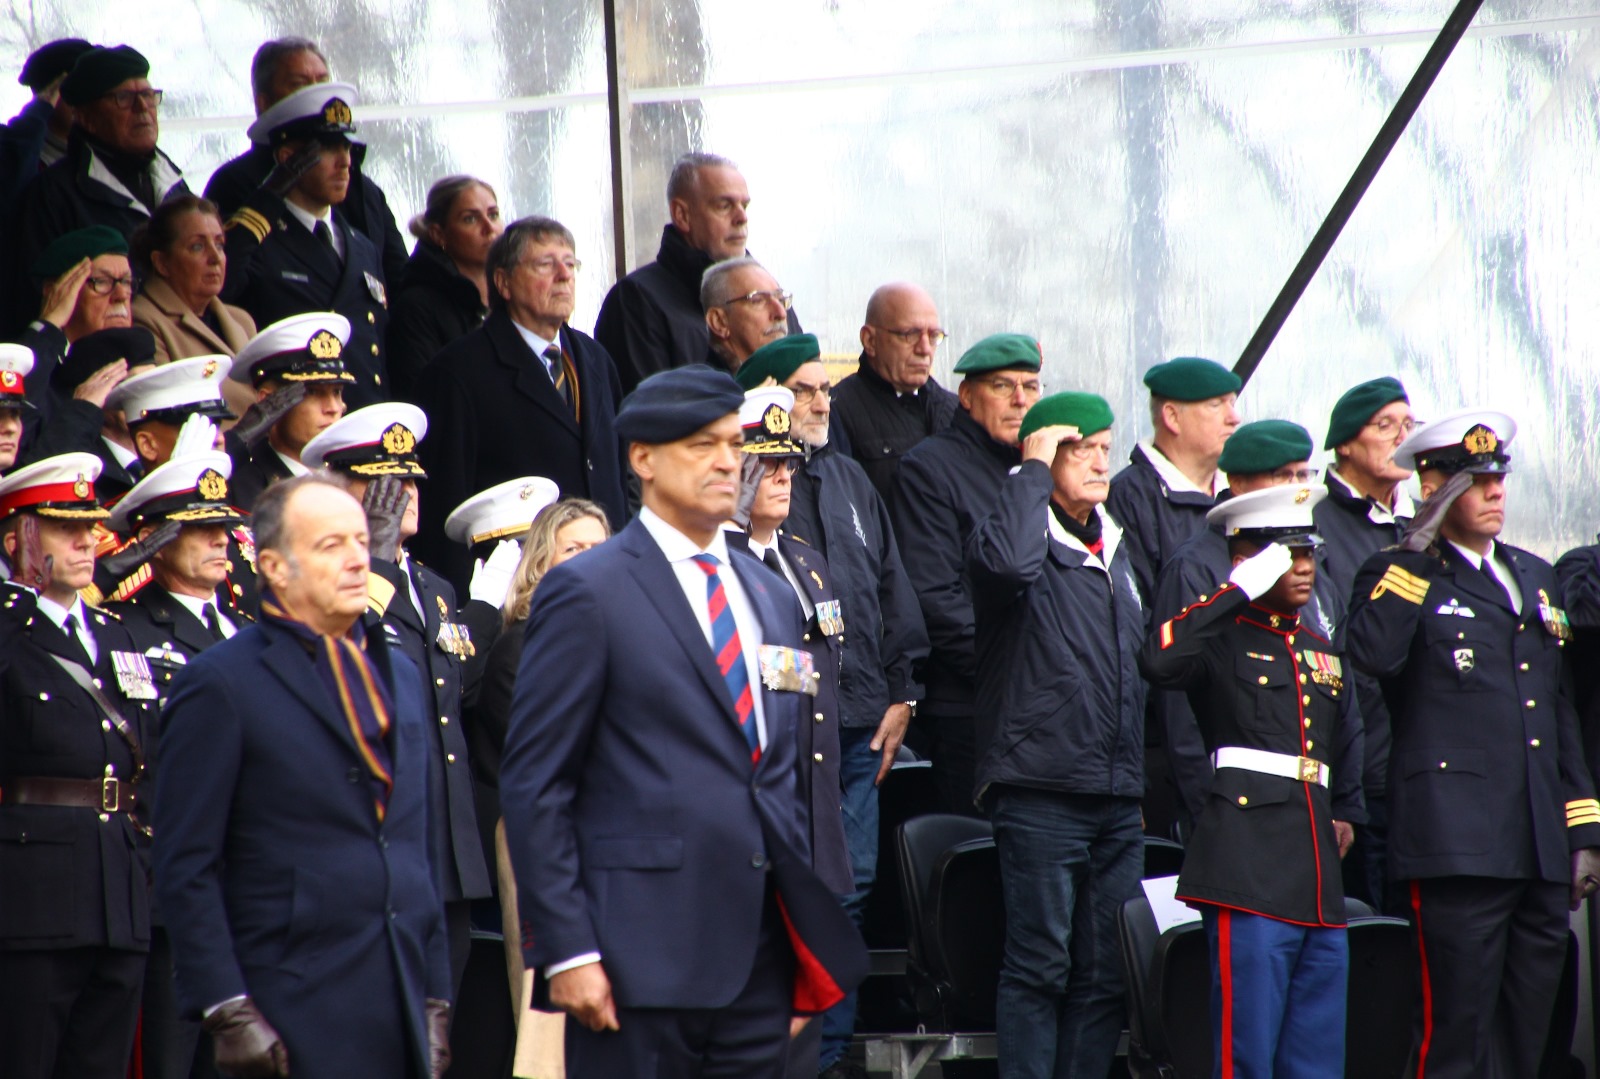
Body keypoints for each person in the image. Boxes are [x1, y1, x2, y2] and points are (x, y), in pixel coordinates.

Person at [500, 364, 867, 1079]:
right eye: (702, 444)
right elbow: (536, 783)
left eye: (734, 443)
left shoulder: (770, 594)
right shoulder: (588, 589)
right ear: (643, 458)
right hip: (635, 963)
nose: (728, 461)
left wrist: (799, 941)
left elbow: (782, 771)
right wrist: (568, 951)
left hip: (758, 961)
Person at [153, 473, 452, 1079]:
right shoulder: (221, 683)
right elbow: (186, 864)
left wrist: (436, 995)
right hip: (286, 1008)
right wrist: (226, 1008)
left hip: (399, 999)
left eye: (361, 541)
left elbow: (416, 847)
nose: (356, 560)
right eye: (330, 545)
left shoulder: (401, 672)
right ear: (274, 567)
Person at [1344, 408, 1600, 1079]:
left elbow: (1557, 705)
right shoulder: (1400, 571)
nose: (1494, 492)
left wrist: (1582, 827)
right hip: (1455, 844)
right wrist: (1415, 546)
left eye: (1498, 479)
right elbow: (1371, 654)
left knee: (1527, 1038)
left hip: (1537, 842)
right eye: (1474, 481)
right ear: (1433, 487)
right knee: (1454, 1038)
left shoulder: (1534, 574)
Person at [735, 334, 928, 1077]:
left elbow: (891, 589)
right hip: (779, 744)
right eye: (805, 389)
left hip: (857, 727)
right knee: (783, 895)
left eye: (825, 389)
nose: (821, 401)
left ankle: (829, 1054)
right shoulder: (732, 544)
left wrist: (903, 692)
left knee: (849, 887)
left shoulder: (845, 482)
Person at [1139, 484, 1365, 1079]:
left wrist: (1347, 808)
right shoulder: (1221, 638)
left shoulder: (1318, 647)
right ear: (1248, 559)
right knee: (1247, 1055)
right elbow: (1158, 661)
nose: (1305, 566)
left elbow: (1346, 735)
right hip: (1248, 866)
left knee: (1316, 1060)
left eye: (1309, 552)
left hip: (1316, 875)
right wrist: (1234, 590)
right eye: (1288, 555)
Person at [965, 391, 1145, 1079]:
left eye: (1104, 449)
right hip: (1041, 788)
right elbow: (1008, 567)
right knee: (1039, 967)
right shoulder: (1015, 532)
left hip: (1115, 795)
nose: (1100, 463)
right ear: (1044, 456)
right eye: (1081, 450)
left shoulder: (1116, 544)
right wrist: (1030, 471)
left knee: (1105, 975)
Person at [299, 402, 492, 999]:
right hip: (379, 839)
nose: (404, 493)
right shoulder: (325, 578)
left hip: (446, 841)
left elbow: (452, 696)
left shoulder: (434, 587)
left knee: (442, 1014)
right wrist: (375, 558)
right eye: (383, 482)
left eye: (409, 479)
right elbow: (341, 669)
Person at [0, 452, 158, 1079]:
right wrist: (14, 601)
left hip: (120, 887)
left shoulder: (117, 633)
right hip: (35, 894)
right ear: (18, 540)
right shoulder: (9, 632)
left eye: (90, 526)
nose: (88, 540)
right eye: (67, 528)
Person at [106, 449, 250, 1079]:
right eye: (200, 528)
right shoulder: (127, 630)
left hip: (253, 888)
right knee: (171, 1060)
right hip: (176, 890)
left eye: (224, 526)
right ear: (158, 542)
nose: (221, 539)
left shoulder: (248, 628)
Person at [727, 384, 855, 1079]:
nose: (782, 475)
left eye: (788, 463)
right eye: (766, 463)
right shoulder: (720, 569)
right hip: (754, 818)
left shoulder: (806, 562)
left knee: (808, 1013)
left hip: (813, 810)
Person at [414, 215, 629, 591]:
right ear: (503, 282)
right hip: (517, 588)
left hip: (607, 578)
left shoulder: (595, 358)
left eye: (571, 263)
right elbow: (443, 502)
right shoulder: (459, 371)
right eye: (546, 264)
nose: (564, 275)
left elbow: (618, 469)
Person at [1152, 419, 1344, 827]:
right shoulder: (1197, 567)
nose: (1295, 486)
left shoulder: (1315, 573)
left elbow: (1342, 699)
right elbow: (1182, 709)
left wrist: (1346, 805)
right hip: (1235, 813)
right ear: (1237, 483)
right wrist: (1211, 813)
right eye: (1282, 475)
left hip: (1308, 813)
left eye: (1303, 474)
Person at [471, 492, 603, 1079]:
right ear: (540, 563)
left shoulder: (618, 634)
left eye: (599, 547)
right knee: (548, 1029)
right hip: (544, 845)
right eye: (573, 549)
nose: (589, 558)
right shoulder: (520, 648)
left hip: (614, 845)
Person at [890, 333, 1040, 817]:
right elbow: (935, 599)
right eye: (1003, 386)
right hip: (970, 712)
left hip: (1045, 711)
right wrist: (1023, 674)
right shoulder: (930, 469)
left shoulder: (1042, 469)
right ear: (968, 396)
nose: (1020, 400)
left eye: (1031, 386)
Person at [1108, 355, 1241, 838]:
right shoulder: (1130, 498)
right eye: (1216, 405)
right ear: (1171, 417)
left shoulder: (1235, 500)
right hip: (1162, 744)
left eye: (1233, 403)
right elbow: (1137, 626)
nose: (1234, 418)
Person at [219, 81, 389, 409]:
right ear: (288, 158)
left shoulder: (362, 247)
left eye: (348, 149)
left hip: (358, 419)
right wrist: (268, 198)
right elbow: (221, 286)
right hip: (294, 418)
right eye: (328, 149)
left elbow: (376, 353)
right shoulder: (257, 240)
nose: (345, 162)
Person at [1312, 376, 1416, 911]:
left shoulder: (1422, 522)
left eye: (1409, 424)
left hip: (1422, 772)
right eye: (1385, 425)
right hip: (1358, 771)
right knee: (1370, 926)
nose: (1402, 436)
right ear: (1345, 444)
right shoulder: (1316, 521)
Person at [204, 37, 409, 288]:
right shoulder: (236, 182)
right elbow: (225, 278)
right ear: (264, 103)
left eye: (322, 81)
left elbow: (399, 279)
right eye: (299, 84)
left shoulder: (362, 189)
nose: (316, 92)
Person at [595, 152, 800, 394]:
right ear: (682, 215)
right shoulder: (636, 301)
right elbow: (649, 411)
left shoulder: (772, 294)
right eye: (724, 206)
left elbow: (808, 387)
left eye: (744, 206)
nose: (742, 218)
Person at [15, 45, 189, 313]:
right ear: (86, 117)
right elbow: (42, 298)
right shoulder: (53, 194)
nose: (142, 107)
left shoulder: (171, 180)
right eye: (123, 98)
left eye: (148, 95)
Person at [830, 283, 958, 503]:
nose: (925, 349)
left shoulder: (956, 411)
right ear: (870, 340)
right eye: (910, 335)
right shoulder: (835, 411)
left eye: (934, 336)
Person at [129, 194, 258, 405]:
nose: (215, 258)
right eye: (198, 246)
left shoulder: (241, 320)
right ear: (161, 262)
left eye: (219, 244)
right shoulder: (143, 320)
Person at [224, 312, 354, 511]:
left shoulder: (350, 480)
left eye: (336, 392)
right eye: (312, 392)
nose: (333, 408)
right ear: (268, 402)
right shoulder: (240, 486)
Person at [389, 175, 502, 401]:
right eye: (470, 219)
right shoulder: (417, 306)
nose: (489, 228)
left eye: (493, 215)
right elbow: (423, 395)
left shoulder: (511, 292)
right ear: (439, 234)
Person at [700, 256, 792, 373]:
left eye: (781, 299)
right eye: (757, 300)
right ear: (719, 322)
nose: (781, 313)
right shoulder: (703, 384)